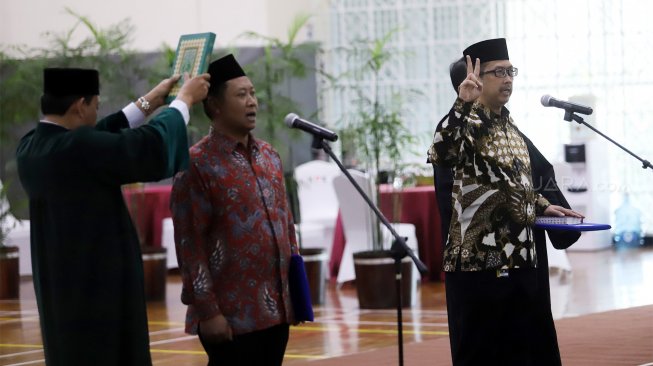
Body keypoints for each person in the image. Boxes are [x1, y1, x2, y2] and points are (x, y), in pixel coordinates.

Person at [15, 67, 210, 365]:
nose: (97, 112)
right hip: (98, 295)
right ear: (81, 105)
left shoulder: (31, 147)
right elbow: (147, 145)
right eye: (95, 105)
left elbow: (99, 136)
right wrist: (182, 101)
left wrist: (149, 102)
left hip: (61, 294)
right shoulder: (78, 148)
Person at [427, 38, 583, 365]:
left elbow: (513, 181)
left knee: (524, 353)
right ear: (476, 78)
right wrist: (462, 104)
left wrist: (542, 206)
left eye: (511, 71)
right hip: (480, 264)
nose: (508, 78)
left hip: (520, 258)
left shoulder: (508, 124)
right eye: (499, 72)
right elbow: (442, 153)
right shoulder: (463, 122)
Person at [170, 54, 298, 366]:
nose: (251, 101)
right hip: (230, 316)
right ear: (214, 105)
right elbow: (190, 246)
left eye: (252, 93)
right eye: (241, 95)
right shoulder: (196, 164)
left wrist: (296, 296)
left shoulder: (270, 155)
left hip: (276, 311)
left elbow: (287, 227)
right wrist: (208, 312)